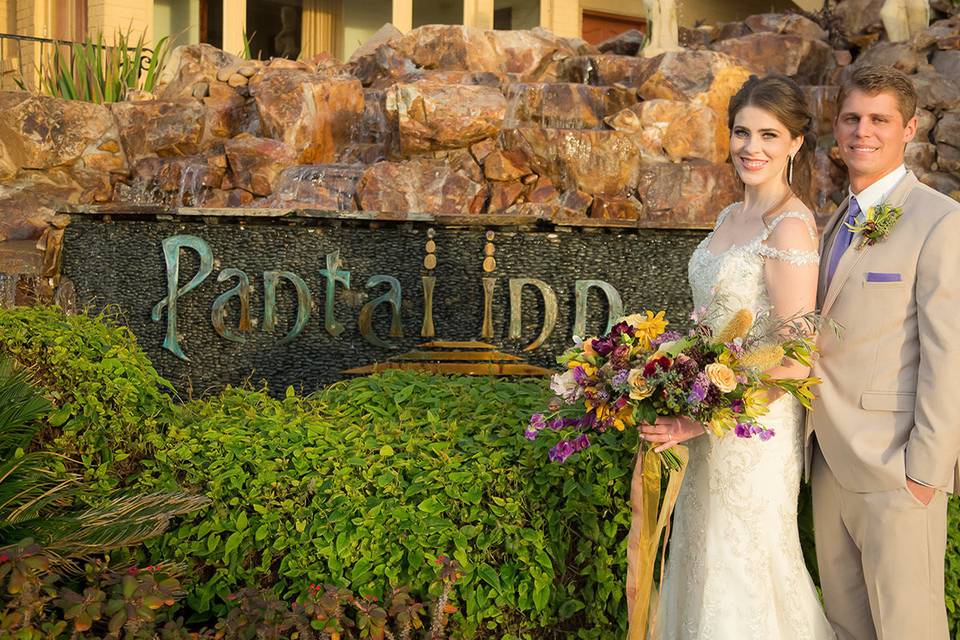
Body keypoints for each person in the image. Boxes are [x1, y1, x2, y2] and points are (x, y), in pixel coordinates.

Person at [638, 74, 836, 639]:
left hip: (753, 433)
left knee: (740, 568)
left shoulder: (791, 228)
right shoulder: (729, 217)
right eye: (743, 132)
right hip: (706, 422)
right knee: (701, 559)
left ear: (796, 143)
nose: (753, 148)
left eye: (770, 135)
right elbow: (714, 325)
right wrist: (665, 376)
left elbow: (796, 361)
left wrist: (694, 420)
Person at [807, 64, 960, 640]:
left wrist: (925, 471)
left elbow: (950, 357)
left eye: (879, 119)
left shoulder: (941, 222)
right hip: (825, 461)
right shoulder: (834, 222)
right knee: (848, 626)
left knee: (908, 629)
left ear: (910, 128)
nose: (862, 131)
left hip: (897, 467)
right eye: (851, 118)